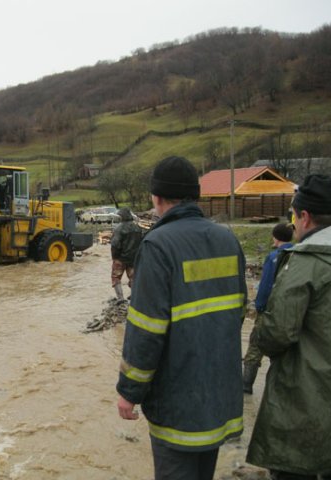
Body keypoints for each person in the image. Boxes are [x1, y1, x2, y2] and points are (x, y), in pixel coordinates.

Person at [116, 156, 247, 480]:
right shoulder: (227, 240)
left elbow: (146, 329)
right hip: (218, 395)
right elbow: (237, 312)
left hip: (177, 405)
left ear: (156, 198)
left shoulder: (159, 245)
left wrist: (129, 391)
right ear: (195, 196)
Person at [246, 174, 331, 479]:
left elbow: (277, 333)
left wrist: (259, 337)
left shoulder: (304, 262)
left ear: (304, 216)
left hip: (305, 405)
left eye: (293, 215)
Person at [242, 223, 293, 394]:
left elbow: (265, 285)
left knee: (256, 346)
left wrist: (259, 306)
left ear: (275, 237)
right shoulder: (298, 254)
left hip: (269, 308)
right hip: (289, 310)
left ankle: (246, 385)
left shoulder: (273, 257)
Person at [110, 207, 143, 301]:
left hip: (120, 258)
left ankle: (120, 298)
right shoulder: (138, 228)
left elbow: (115, 244)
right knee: (133, 277)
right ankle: (134, 296)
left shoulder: (118, 229)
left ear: (122, 216)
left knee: (116, 277)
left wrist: (114, 256)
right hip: (133, 258)